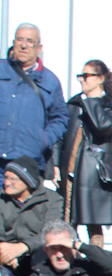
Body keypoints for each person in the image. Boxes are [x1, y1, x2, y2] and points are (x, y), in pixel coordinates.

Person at [59, 59, 112, 247]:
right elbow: (61, 135)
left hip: (94, 173)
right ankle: (68, 267)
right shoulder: (74, 103)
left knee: (94, 223)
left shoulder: (110, 104)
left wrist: (90, 101)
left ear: (100, 79)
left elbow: (103, 127)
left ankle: (96, 264)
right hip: (70, 171)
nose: (82, 80)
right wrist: (55, 164)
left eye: (87, 76)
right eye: (81, 76)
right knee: (67, 220)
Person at [0, 155, 62, 276]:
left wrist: (22, 247)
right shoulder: (1, 199)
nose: (7, 182)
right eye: (5, 177)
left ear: (27, 180)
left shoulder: (52, 200)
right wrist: (7, 253)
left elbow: (51, 232)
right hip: (6, 257)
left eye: (12, 179)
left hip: (36, 256)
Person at [0, 24, 65, 169]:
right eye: (19, 40)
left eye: (29, 41)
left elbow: (60, 118)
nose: (24, 45)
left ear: (39, 48)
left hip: (27, 163)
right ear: (13, 43)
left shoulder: (50, 81)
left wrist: (43, 140)